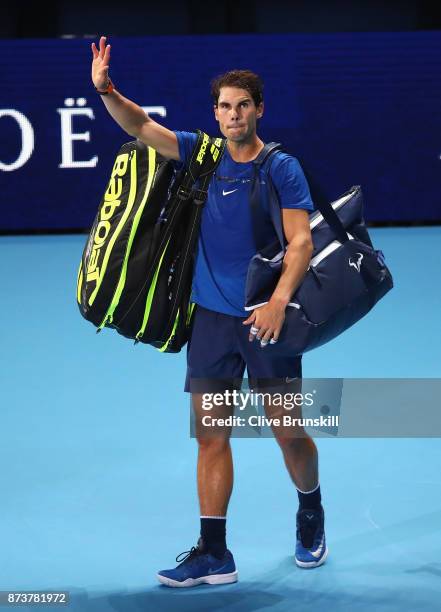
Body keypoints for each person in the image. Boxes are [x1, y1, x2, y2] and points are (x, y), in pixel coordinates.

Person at [91, 35, 328, 588]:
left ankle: (311, 505)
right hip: (212, 324)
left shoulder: (281, 167)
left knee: (287, 432)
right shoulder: (201, 154)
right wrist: (106, 89)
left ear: (259, 109)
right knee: (212, 435)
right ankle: (215, 551)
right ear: (215, 112)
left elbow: (300, 245)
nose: (232, 115)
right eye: (223, 106)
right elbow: (140, 127)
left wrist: (275, 304)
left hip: (266, 322)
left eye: (242, 105)